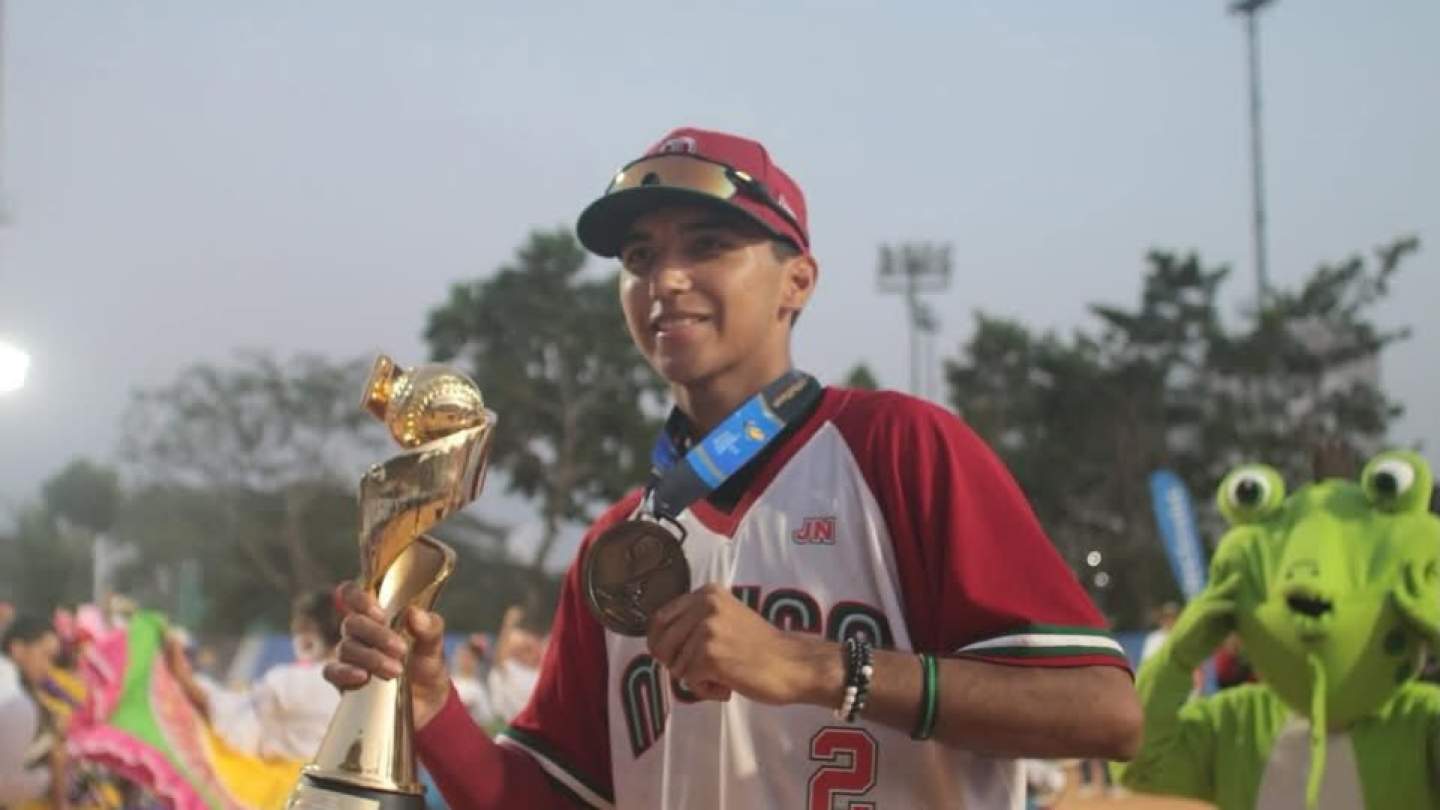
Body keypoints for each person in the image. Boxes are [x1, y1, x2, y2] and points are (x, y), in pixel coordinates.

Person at [328, 127, 1141, 809]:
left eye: (709, 246)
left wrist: (817, 666)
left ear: (798, 281)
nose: (665, 280)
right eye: (640, 258)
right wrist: (429, 703)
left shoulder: (901, 449)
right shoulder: (619, 543)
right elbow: (551, 798)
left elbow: (1103, 714)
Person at [171, 590, 342, 761]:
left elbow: (227, 717)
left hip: (257, 779)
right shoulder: (355, 695)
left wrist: (179, 668)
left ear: (309, 627)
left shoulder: (292, 682)